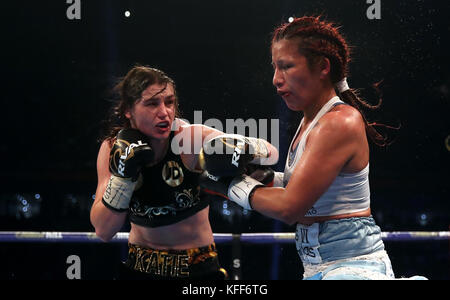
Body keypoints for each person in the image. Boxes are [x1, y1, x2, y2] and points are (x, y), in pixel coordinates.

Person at [200, 16, 427, 280]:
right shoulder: (310, 119)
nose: (275, 79)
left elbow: (290, 207)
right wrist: (261, 177)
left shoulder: (339, 122)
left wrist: (227, 186)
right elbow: (303, 190)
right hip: (320, 268)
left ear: (322, 67)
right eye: (274, 67)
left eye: (286, 66)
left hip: (353, 267)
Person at [90, 65, 278, 279]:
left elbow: (271, 153)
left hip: (197, 271)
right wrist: (123, 177)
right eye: (152, 103)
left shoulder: (190, 140)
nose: (164, 112)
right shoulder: (112, 148)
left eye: (169, 102)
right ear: (128, 110)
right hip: (139, 269)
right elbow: (104, 231)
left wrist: (243, 148)